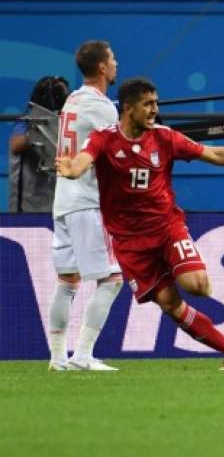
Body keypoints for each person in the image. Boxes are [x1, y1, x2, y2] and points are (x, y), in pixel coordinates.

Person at [56, 77, 224, 370]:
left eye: (156, 103)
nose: (154, 109)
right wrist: (72, 169)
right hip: (129, 243)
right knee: (170, 304)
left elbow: (215, 154)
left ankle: (187, 269)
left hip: (166, 228)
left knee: (197, 286)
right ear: (127, 108)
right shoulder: (104, 138)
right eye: (147, 104)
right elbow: (82, 161)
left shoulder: (164, 137)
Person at [48, 40, 122, 371]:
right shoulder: (102, 106)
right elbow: (112, 152)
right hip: (88, 201)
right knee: (112, 279)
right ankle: (83, 355)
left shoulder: (72, 99)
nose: (117, 64)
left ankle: (56, 358)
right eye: (113, 60)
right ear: (103, 68)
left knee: (68, 281)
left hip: (62, 199)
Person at [9, 76, 70, 213]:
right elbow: (15, 145)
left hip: (55, 203)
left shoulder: (65, 124)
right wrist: (40, 132)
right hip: (25, 206)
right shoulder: (26, 122)